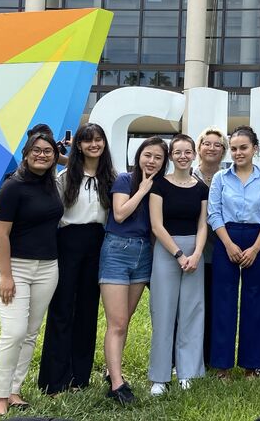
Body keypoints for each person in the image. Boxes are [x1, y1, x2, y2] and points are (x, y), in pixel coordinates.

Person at [0, 132, 63, 416]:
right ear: (26, 153)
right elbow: (0, 234)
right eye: (37, 150)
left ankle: (14, 390)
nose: (42, 155)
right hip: (14, 267)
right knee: (14, 332)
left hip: (47, 268)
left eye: (48, 151)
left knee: (30, 333)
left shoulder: (52, 184)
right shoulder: (13, 186)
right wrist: (6, 276)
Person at [38, 123, 116, 395]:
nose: (94, 145)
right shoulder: (64, 178)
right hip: (68, 242)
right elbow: (53, 216)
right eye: (87, 141)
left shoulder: (111, 178)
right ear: (79, 146)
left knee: (87, 310)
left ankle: (79, 378)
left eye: (98, 140)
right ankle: (53, 379)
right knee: (61, 309)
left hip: (98, 244)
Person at [100, 137, 168, 405]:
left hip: (143, 255)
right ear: (138, 156)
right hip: (117, 251)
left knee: (124, 320)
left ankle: (111, 370)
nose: (151, 161)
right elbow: (119, 214)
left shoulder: (162, 187)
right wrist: (142, 189)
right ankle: (117, 385)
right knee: (116, 322)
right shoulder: (125, 180)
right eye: (147, 155)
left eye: (158, 157)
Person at [208, 125, 260, 379]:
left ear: (255, 149)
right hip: (225, 239)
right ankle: (222, 366)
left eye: (244, 148)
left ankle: (252, 365)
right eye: (234, 148)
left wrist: (256, 248)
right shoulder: (220, 178)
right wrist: (227, 243)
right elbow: (213, 213)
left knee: (256, 303)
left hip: (257, 241)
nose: (238, 153)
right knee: (223, 302)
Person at [148, 134, 208, 394]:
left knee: (192, 312)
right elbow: (156, 225)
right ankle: (160, 377)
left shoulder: (201, 187)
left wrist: (196, 254)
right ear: (171, 156)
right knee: (163, 313)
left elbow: (203, 224)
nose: (183, 156)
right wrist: (178, 255)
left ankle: (189, 372)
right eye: (177, 152)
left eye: (187, 152)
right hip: (166, 251)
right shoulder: (159, 185)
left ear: (194, 155)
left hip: (195, 252)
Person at [192, 126, 229, 366]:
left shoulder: (229, 177)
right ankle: (191, 358)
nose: (212, 148)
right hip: (193, 252)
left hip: (221, 251)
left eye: (218, 145)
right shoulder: (188, 175)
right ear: (199, 148)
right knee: (193, 307)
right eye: (207, 143)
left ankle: (212, 356)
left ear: (224, 151)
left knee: (217, 306)